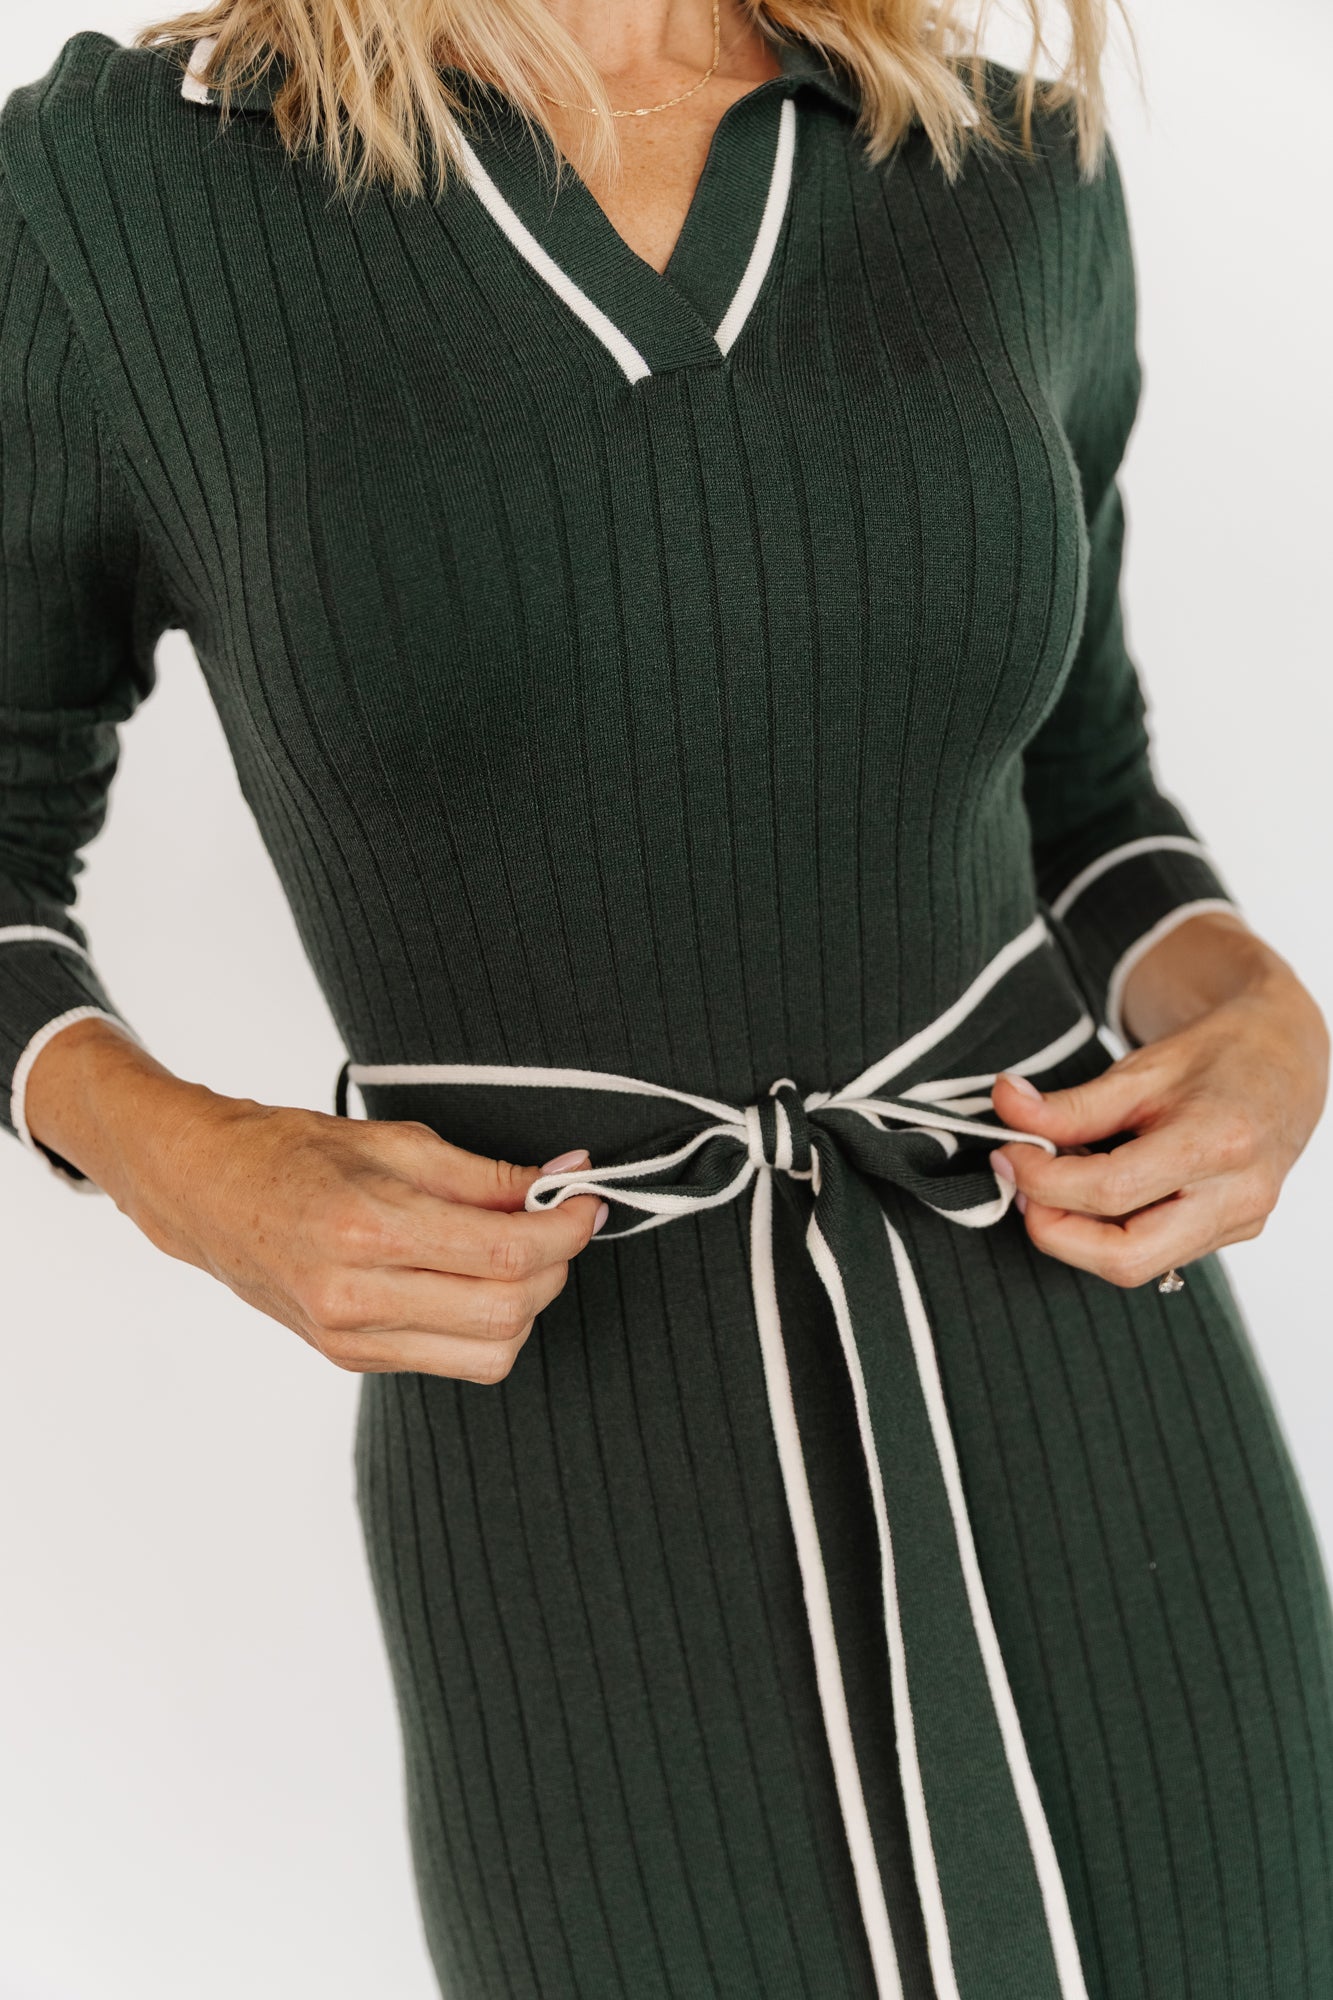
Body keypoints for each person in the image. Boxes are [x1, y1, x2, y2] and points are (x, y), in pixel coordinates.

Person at [1, 2, 1329, 1994]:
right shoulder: (120, 193)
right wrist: (190, 1167)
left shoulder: (1002, 160)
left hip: (1104, 1391)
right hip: (564, 1453)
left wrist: (1262, 1015)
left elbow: (1086, 786)